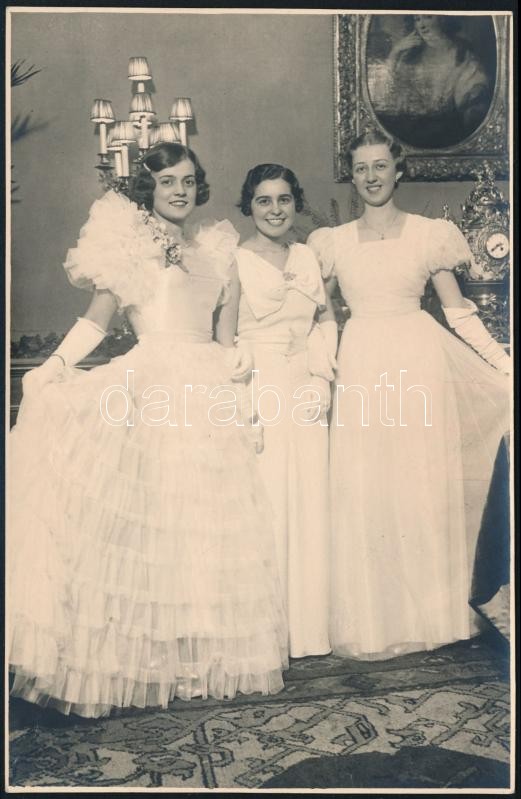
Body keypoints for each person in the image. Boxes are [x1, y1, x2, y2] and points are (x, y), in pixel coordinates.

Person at [8, 143, 289, 717]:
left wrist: (241, 379)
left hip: (208, 391)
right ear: (149, 189)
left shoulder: (220, 250)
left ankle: (198, 664)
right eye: (166, 182)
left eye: (187, 180)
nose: (179, 191)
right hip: (152, 384)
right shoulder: (129, 246)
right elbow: (95, 322)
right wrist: (53, 367)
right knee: (156, 525)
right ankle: (152, 662)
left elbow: (226, 338)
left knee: (204, 525)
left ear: (199, 185)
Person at [308, 128, 511, 660]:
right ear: (352, 177)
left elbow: (458, 312)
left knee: (420, 483)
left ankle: (431, 616)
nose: (371, 177)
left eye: (380, 166)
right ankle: (376, 621)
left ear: (398, 170)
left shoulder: (428, 235)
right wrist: (321, 358)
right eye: (361, 168)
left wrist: (505, 366)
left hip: (418, 363)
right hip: (361, 362)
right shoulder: (333, 242)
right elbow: (319, 312)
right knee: (368, 486)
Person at [235, 164, 337, 658]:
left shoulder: (306, 256)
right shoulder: (235, 260)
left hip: (304, 390)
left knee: (310, 502)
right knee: (270, 505)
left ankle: (308, 631)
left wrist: (321, 376)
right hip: (259, 389)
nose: (275, 210)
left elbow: (326, 319)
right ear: (249, 206)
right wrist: (242, 405)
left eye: (283, 200)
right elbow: (224, 336)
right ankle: (267, 636)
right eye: (263, 200)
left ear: (295, 203)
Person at [370, 14, 492, 148]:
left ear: (443, 19)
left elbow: (473, 101)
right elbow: (385, 98)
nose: (422, 25)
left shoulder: (462, 56)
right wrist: (394, 53)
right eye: (417, 19)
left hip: (444, 136)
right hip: (407, 134)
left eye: (428, 17)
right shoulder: (409, 55)